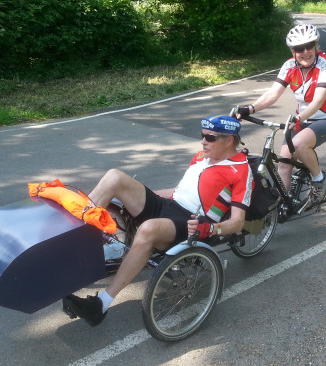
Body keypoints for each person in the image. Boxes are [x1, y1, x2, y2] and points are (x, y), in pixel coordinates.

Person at [62, 115, 253, 327]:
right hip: (168, 205)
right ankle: (70, 245)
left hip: (191, 221)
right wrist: (134, 194)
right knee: (114, 177)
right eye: (202, 136)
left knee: (148, 229)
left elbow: (237, 222)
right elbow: (177, 191)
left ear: (228, 140)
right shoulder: (201, 156)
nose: (203, 141)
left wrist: (210, 227)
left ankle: (100, 305)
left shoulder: (241, 170)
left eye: (210, 137)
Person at [234, 23, 326, 203]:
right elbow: (272, 94)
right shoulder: (289, 66)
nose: (305, 52)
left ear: (316, 46)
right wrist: (250, 108)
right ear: (293, 51)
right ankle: (281, 204)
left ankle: (319, 180)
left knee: (299, 144)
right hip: (302, 119)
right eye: (299, 48)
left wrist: (299, 117)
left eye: (309, 46)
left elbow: (317, 102)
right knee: (284, 160)